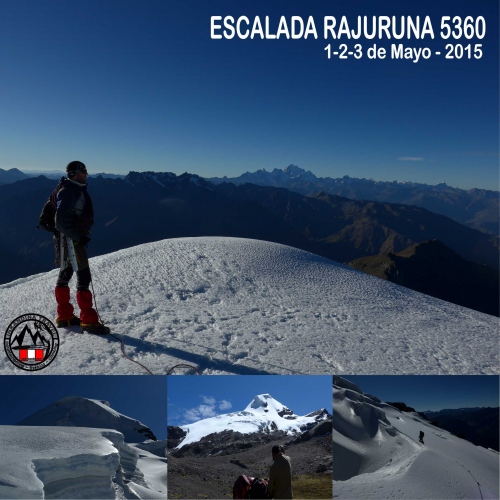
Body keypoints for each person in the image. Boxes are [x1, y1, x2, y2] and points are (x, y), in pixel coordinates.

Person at [50, 161, 108, 334]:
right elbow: (60, 221)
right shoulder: (69, 191)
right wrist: (78, 237)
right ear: (75, 173)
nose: (86, 174)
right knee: (83, 276)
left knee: (65, 273)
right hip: (72, 240)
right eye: (83, 172)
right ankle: (89, 320)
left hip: (66, 239)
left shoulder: (71, 189)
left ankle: (65, 316)